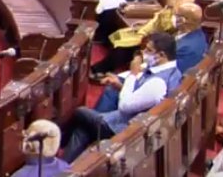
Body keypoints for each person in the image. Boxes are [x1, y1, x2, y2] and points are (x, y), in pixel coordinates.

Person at [61, 33, 180, 162]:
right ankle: (64, 165)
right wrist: (120, 86)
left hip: (121, 129)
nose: (144, 52)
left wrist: (133, 74)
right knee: (83, 130)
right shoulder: (173, 72)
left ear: (161, 55)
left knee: (80, 112)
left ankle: (59, 142)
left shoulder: (157, 83)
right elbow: (141, 97)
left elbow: (125, 107)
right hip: (127, 122)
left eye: (149, 50)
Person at [95, 0, 203, 77]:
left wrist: (149, 30)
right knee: (124, 34)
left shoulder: (190, 3)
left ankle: (101, 70)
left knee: (128, 46)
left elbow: (169, 24)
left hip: (165, 34)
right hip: (157, 26)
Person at [173, 3, 208, 73]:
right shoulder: (199, 34)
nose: (174, 18)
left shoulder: (185, 49)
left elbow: (173, 73)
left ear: (183, 20)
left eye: (177, 15)